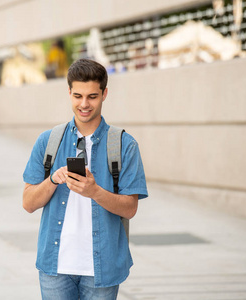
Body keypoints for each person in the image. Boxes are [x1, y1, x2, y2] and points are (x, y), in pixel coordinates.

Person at [23, 58, 148, 299]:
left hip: (102, 268)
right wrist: (52, 181)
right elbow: (28, 203)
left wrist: (95, 192)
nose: (84, 104)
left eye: (92, 96)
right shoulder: (48, 141)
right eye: (78, 96)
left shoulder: (124, 145)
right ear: (69, 92)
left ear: (104, 94)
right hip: (55, 268)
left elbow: (130, 208)